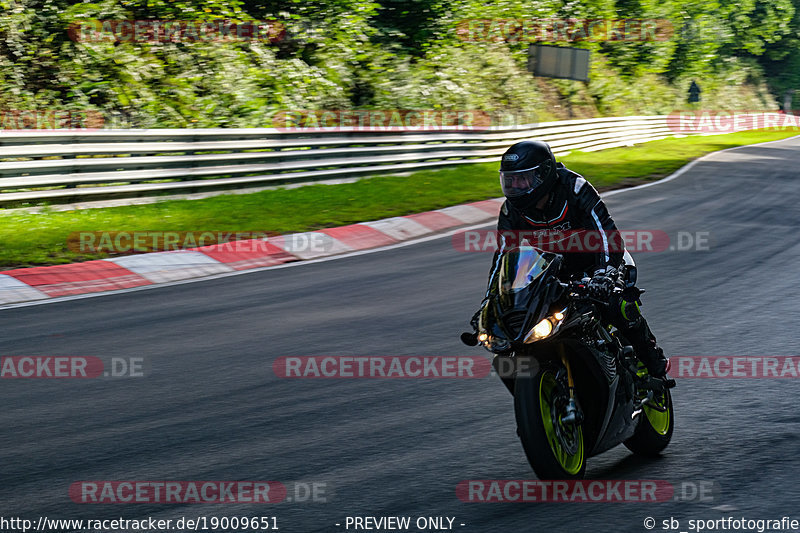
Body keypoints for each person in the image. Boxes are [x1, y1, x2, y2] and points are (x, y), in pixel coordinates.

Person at [476, 140, 669, 377]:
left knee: (617, 304)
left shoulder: (574, 187)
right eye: (510, 180)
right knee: (511, 333)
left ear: (543, 175)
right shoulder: (511, 210)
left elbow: (606, 232)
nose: (515, 187)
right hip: (553, 275)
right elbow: (504, 256)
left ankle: (652, 357)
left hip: (598, 263)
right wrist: (492, 298)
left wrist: (605, 274)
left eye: (522, 179)